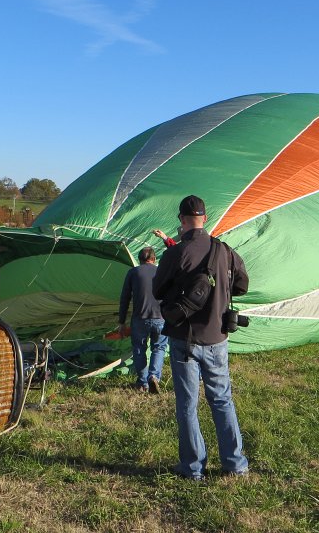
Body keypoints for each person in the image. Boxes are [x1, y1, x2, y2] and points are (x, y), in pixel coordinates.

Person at [153, 195, 250, 480]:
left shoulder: (175, 253)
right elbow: (242, 284)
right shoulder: (225, 251)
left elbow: (158, 290)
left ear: (181, 220)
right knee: (222, 400)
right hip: (217, 337)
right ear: (205, 219)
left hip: (184, 339)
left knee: (187, 405)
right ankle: (235, 465)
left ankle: (193, 468)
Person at [118, 246, 167, 393]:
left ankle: (142, 383)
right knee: (159, 348)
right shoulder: (161, 272)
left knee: (139, 349)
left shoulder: (133, 272)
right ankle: (154, 376)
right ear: (154, 259)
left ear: (139, 260)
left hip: (140, 318)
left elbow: (125, 298)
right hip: (160, 317)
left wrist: (121, 321)